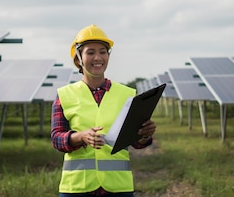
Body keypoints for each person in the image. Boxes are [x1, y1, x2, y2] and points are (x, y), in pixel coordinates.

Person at [51, 24, 157, 196]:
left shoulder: (127, 95)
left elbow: (137, 143)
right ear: (78, 58)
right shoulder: (64, 95)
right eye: (90, 52)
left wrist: (145, 134)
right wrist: (80, 136)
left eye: (103, 51)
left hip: (118, 187)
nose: (98, 57)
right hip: (77, 187)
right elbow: (56, 139)